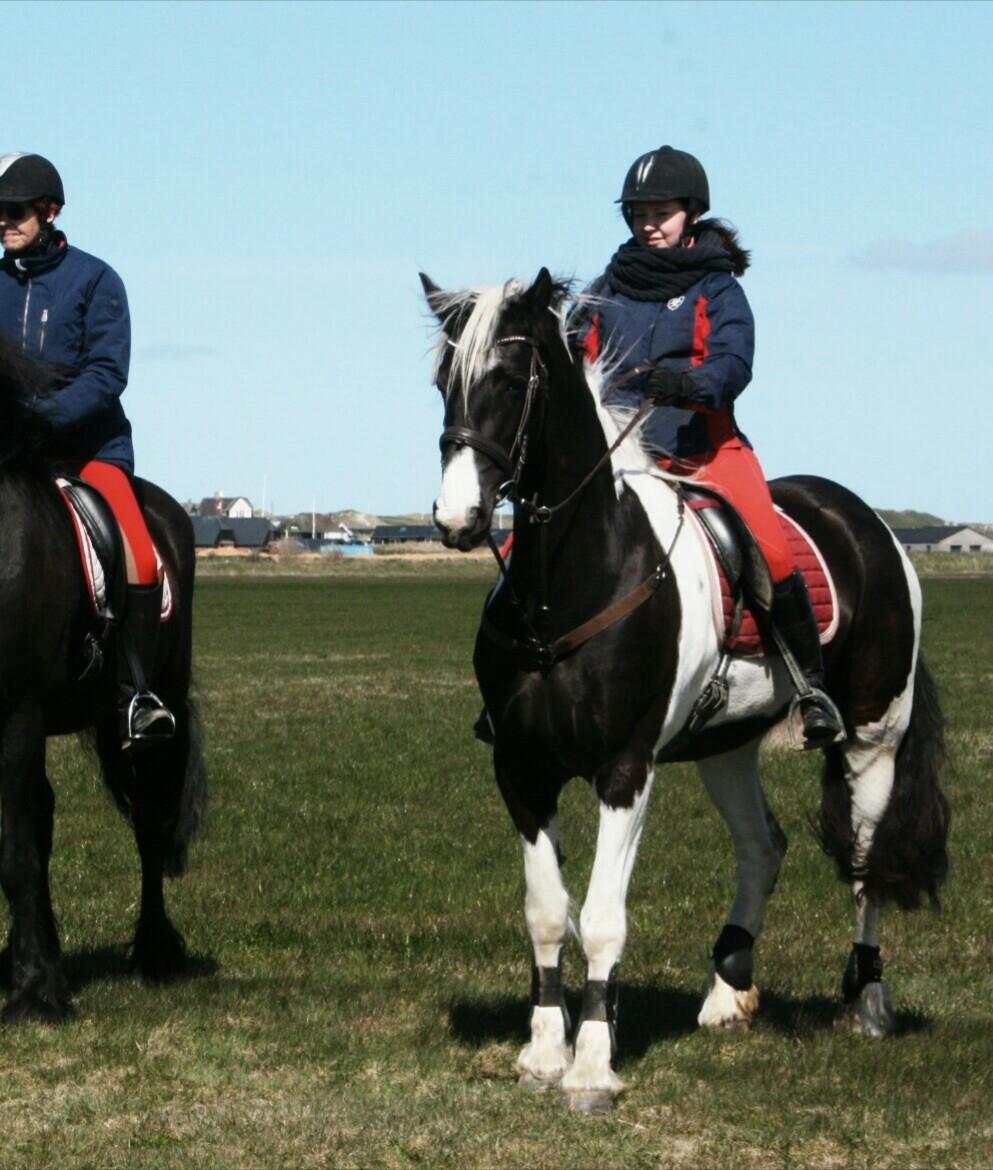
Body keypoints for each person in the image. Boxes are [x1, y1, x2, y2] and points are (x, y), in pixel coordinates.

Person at [582, 145, 843, 748]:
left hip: (704, 448)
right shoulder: (603, 290)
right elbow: (577, 357)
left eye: (661, 212)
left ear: (690, 213)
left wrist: (687, 385)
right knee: (533, 539)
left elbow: (733, 365)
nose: (649, 223)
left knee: (773, 553)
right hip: (621, 455)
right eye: (639, 213)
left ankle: (811, 688)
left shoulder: (717, 288)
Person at [0, 151, 175, 747]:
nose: (4, 221)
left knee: (140, 553)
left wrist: (37, 419)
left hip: (88, 451)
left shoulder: (97, 281)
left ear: (48, 211)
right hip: (11, 454)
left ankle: (136, 691)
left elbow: (106, 375)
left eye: (14, 210)